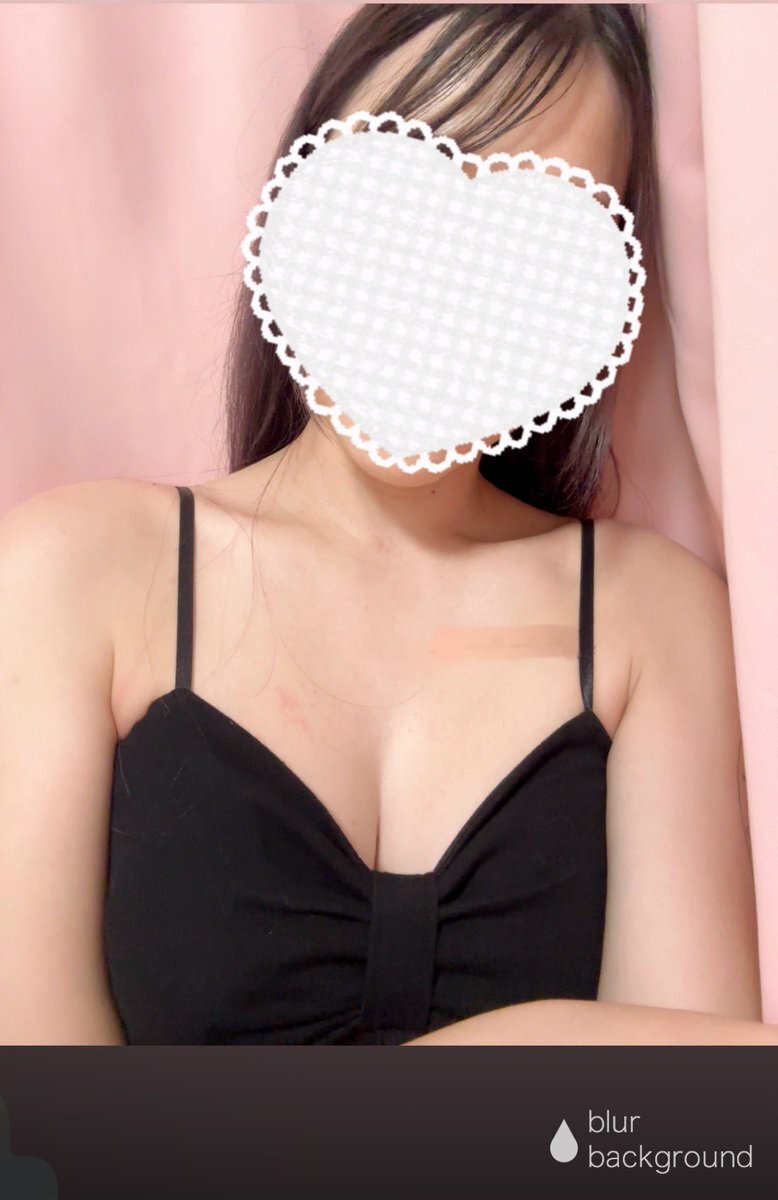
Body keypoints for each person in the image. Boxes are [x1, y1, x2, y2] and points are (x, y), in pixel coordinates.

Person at [0, 4, 774, 1046]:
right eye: (396, 191)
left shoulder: (655, 622)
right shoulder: (73, 577)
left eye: (536, 246)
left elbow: (686, 1125)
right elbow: (45, 1125)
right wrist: (511, 1064)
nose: (442, 295)